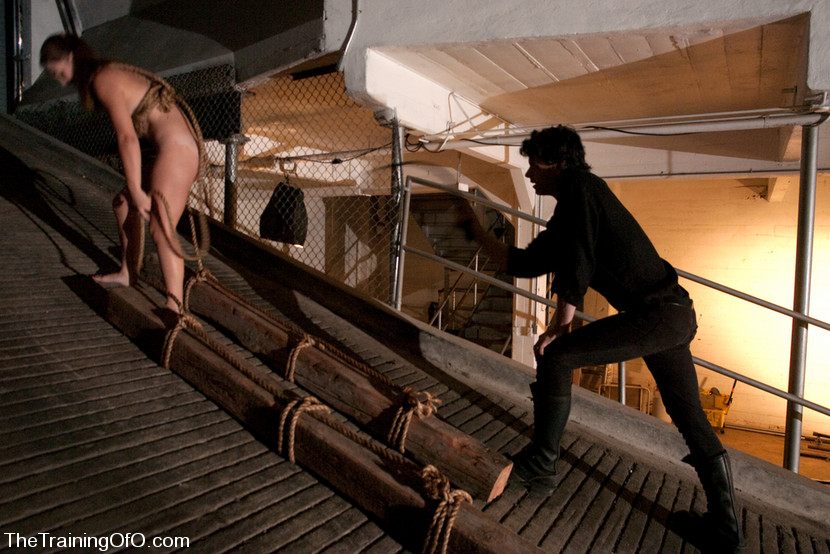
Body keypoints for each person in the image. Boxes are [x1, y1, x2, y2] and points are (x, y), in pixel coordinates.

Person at [460, 125, 745, 553]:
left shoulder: (581, 187)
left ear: (557, 163)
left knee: (556, 356)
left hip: (658, 314)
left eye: (534, 164)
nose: (530, 174)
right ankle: (727, 531)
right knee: (690, 420)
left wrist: (561, 323)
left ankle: (541, 465)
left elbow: (579, 259)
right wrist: (477, 233)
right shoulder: (574, 211)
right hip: (669, 316)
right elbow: (525, 263)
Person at [40, 33, 204, 313]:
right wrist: (133, 193)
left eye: (60, 73)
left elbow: (127, 138)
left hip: (178, 150)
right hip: (171, 148)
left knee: (161, 228)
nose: (62, 81)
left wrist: (138, 190)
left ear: (70, 57)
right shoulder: (106, 73)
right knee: (122, 204)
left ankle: (175, 307)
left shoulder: (103, 79)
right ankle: (128, 273)